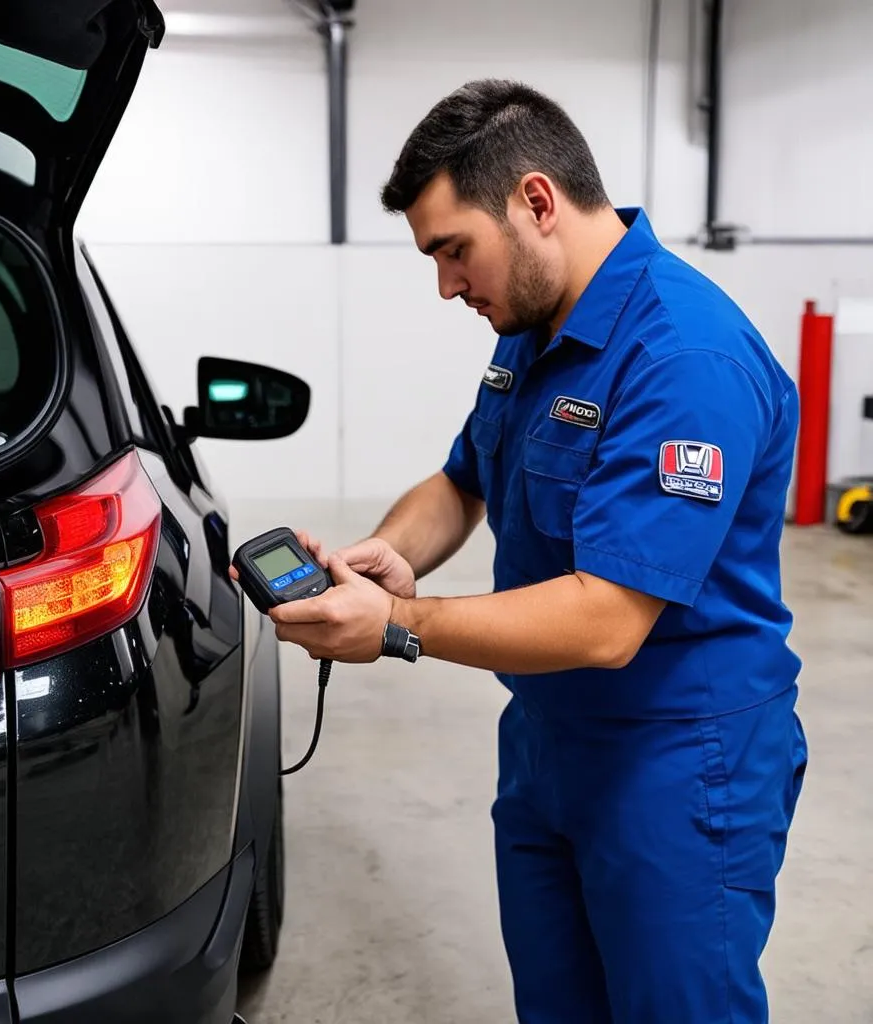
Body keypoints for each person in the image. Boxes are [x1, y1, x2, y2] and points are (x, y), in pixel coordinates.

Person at [248, 79, 808, 1023]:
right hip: (549, 743)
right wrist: (390, 554)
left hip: (677, 761)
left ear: (536, 201)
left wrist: (397, 626)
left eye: (453, 250)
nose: (447, 285)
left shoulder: (684, 361)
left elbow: (605, 620)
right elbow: (464, 478)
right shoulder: (536, 331)